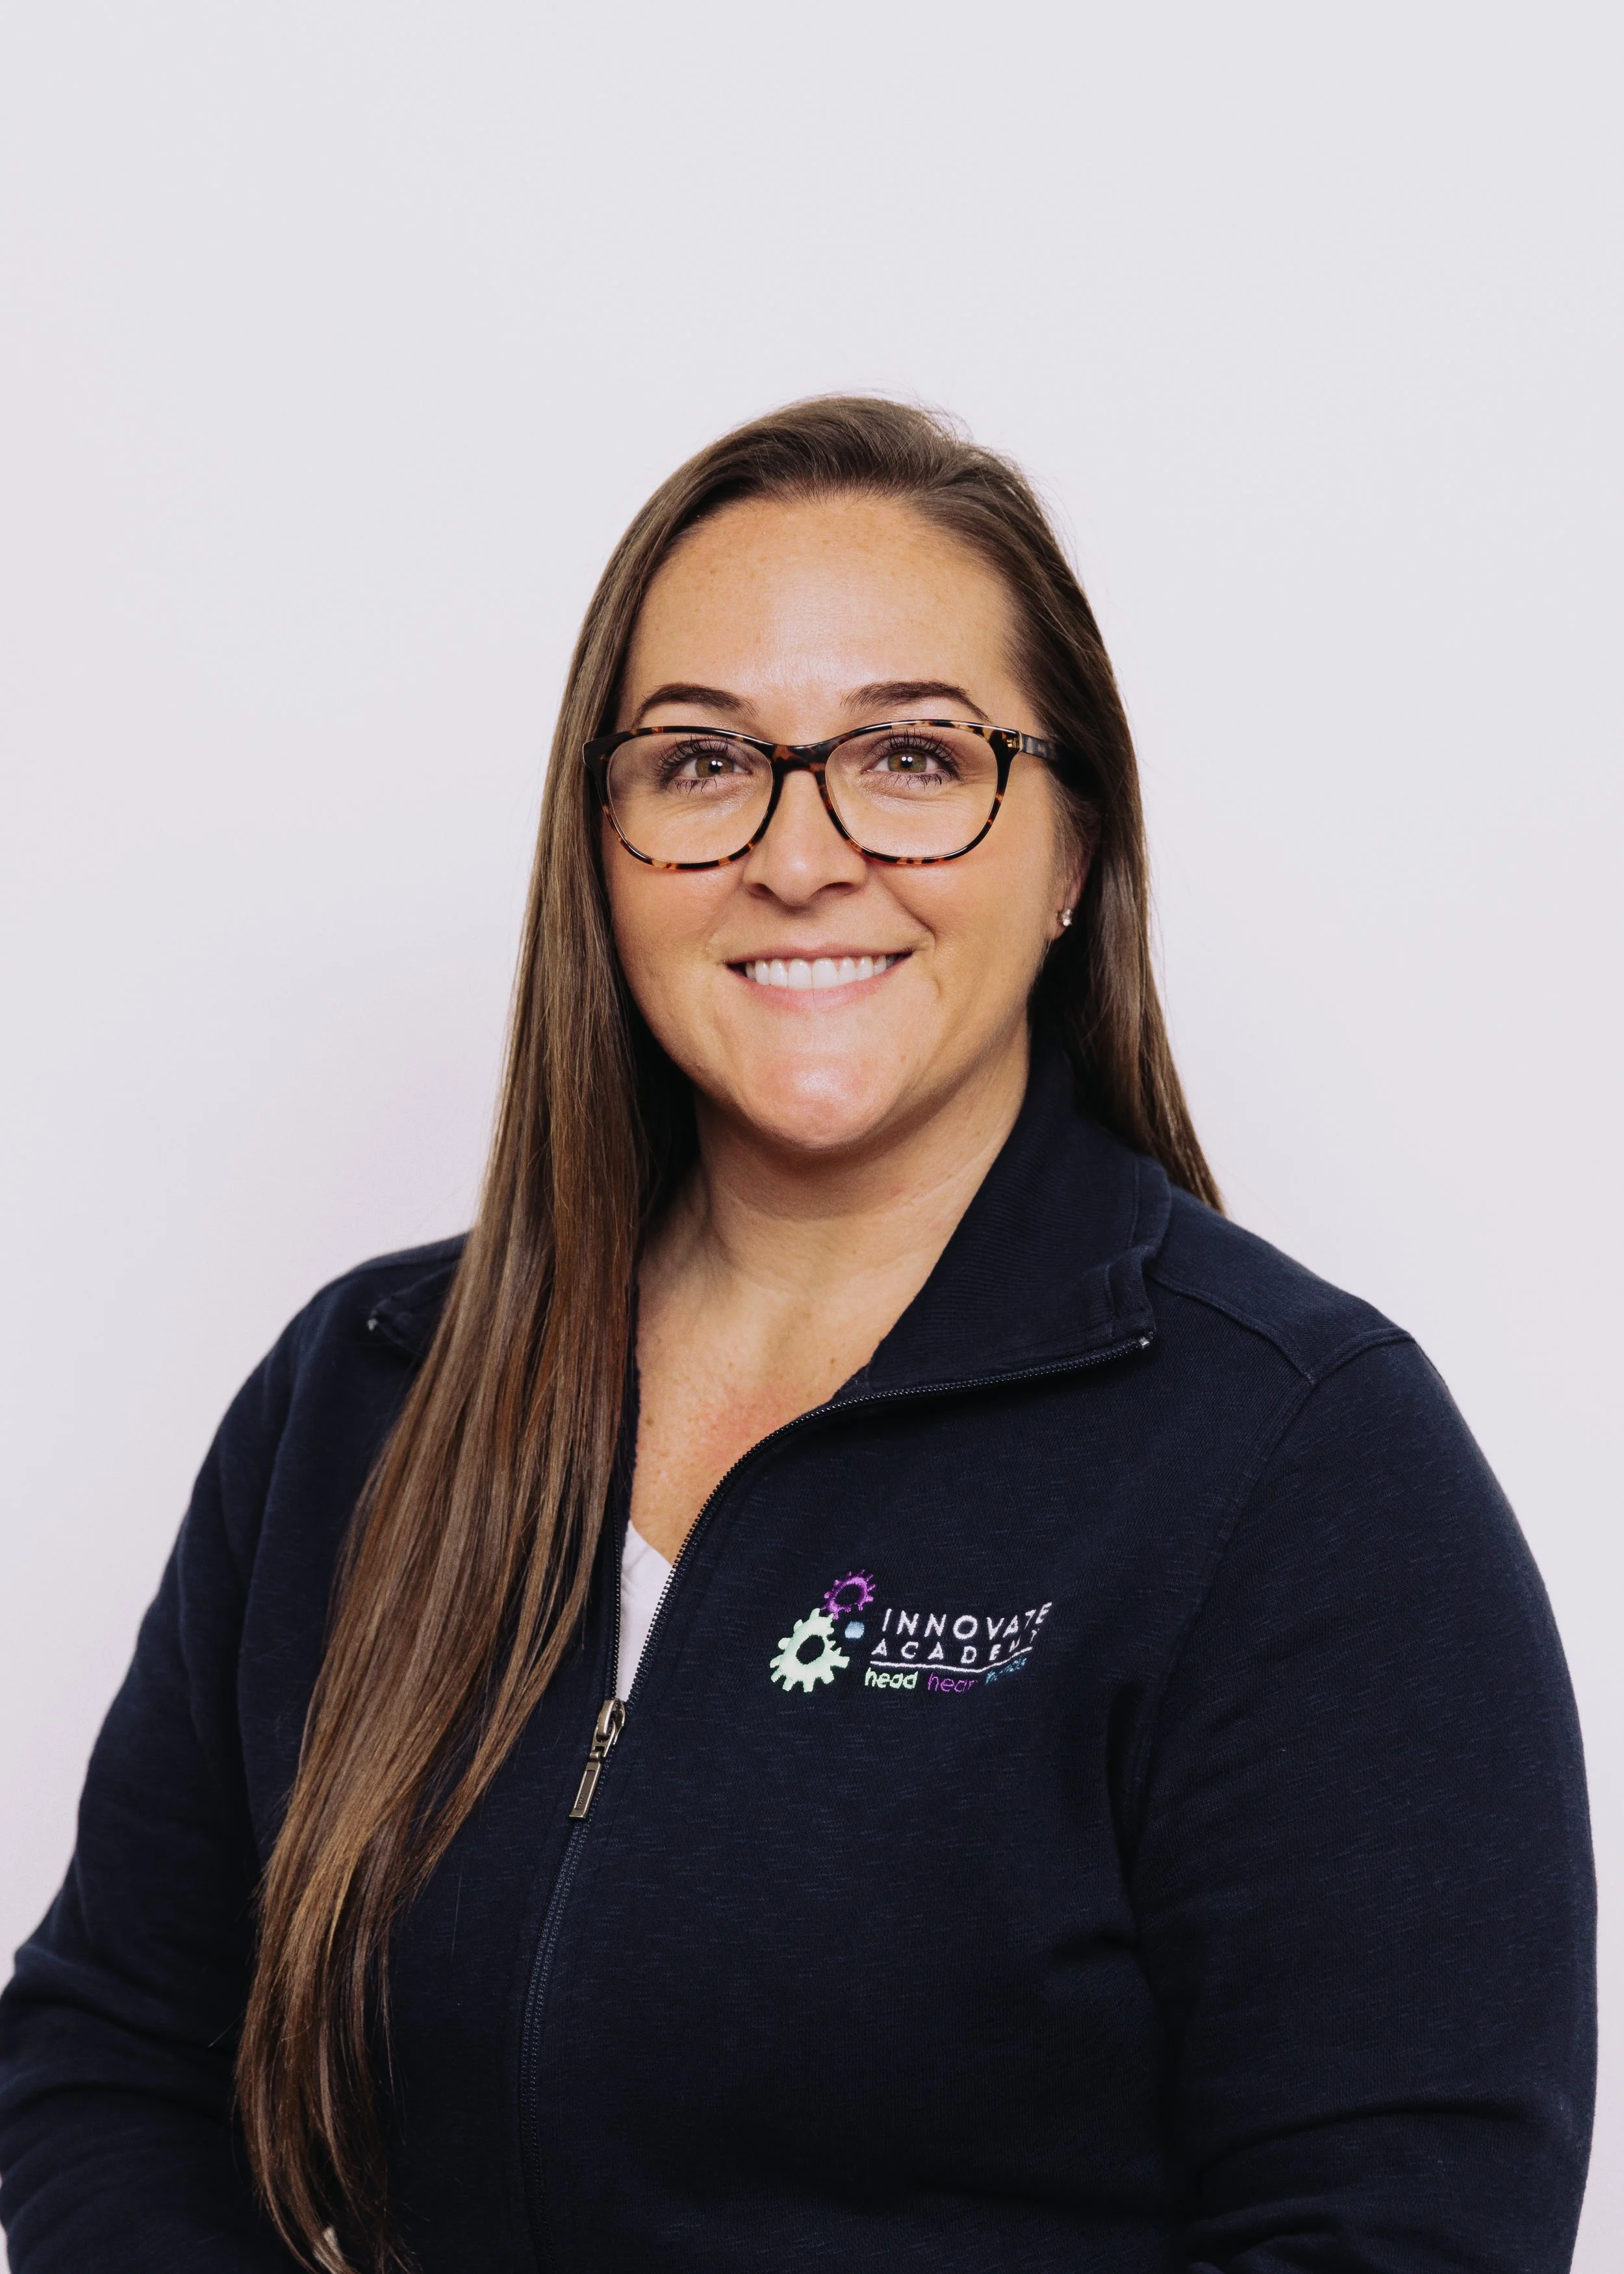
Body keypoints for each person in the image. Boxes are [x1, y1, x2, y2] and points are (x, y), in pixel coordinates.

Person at [0, 398, 1595, 2274]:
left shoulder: (1298, 1461)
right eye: (701, 762)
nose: (799, 849)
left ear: (1071, 842)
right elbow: (113, 2048)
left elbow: (1399, 2232)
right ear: (600, 847)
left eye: (913, 755)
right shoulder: (363, 1394)